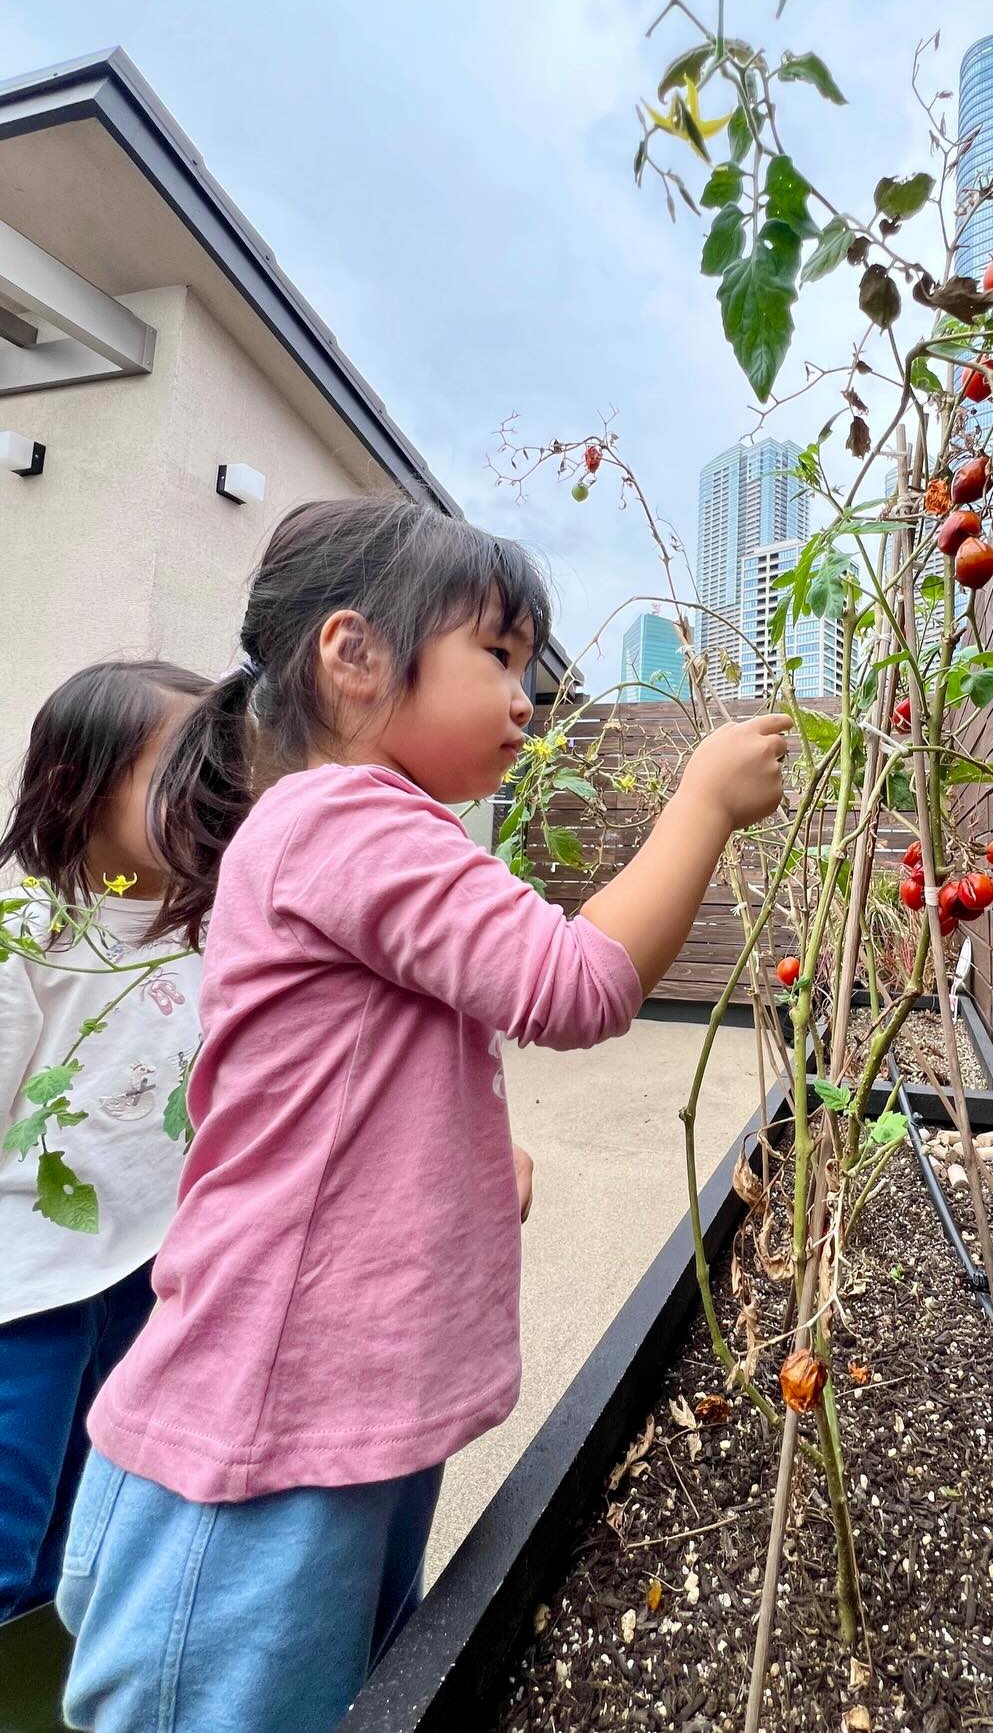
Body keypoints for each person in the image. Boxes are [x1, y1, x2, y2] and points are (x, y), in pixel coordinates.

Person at [58, 497, 790, 1733]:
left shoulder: (342, 828)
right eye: (497, 656)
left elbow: (350, 1060)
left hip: (335, 1402)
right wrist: (703, 806)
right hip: (278, 1422)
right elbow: (573, 986)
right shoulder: (347, 817)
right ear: (352, 657)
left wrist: (450, 1154)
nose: (526, 696)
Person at [0, 659, 210, 1624]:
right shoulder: (27, 929)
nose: (212, 788)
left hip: (146, 1275)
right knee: (9, 1529)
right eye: (182, 766)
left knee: (97, 1518)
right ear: (78, 787)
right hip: (27, 1290)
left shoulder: (216, 929)